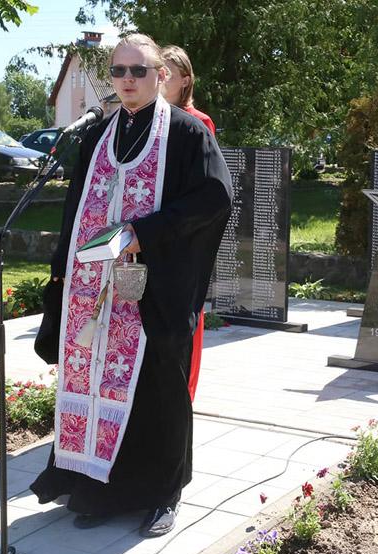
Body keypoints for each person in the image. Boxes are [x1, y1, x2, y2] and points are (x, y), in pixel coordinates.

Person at [30, 33, 232, 538]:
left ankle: (163, 494)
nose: (127, 80)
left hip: (153, 290)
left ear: (160, 75)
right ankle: (102, 490)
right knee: (98, 385)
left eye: (138, 70)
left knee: (158, 391)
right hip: (93, 291)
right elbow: (75, 207)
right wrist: (62, 268)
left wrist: (147, 233)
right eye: (118, 71)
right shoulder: (98, 135)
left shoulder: (186, 133)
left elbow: (214, 198)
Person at [160, 45, 217, 402]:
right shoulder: (146, 121)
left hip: (180, 237)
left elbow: (204, 190)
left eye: (168, 73)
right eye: (158, 71)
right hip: (149, 237)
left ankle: (184, 397)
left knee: (183, 323)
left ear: (185, 80)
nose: (161, 78)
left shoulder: (198, 123)